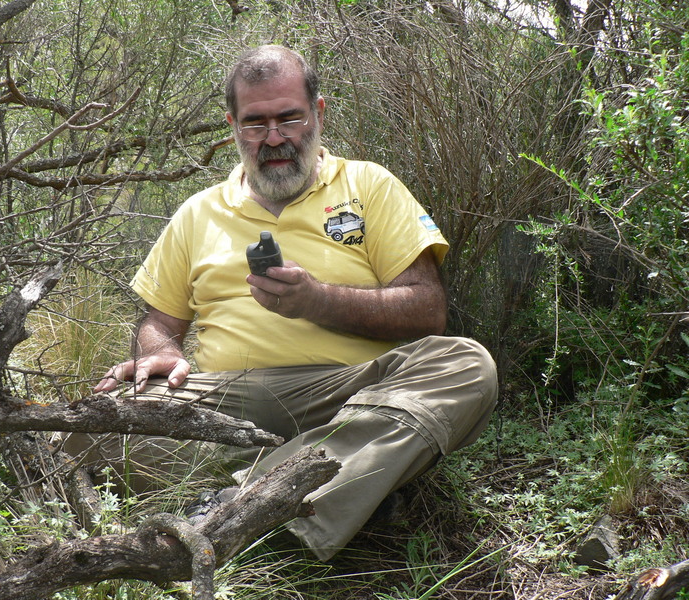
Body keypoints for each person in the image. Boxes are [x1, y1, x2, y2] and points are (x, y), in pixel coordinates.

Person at [90, 44, 498, 561]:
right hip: (227, 404)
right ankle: (344, 483)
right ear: (232, 126)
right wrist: (159, 350)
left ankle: (242, 502)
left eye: (289, 118)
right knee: (101, 416)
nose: (275, 138)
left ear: (319, 113)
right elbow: (157, 321)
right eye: (255, 123)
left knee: (465, 365)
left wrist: (317, 301)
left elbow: (427, 309)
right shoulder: (198, 214)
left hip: (354, 395)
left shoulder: (369, 186)